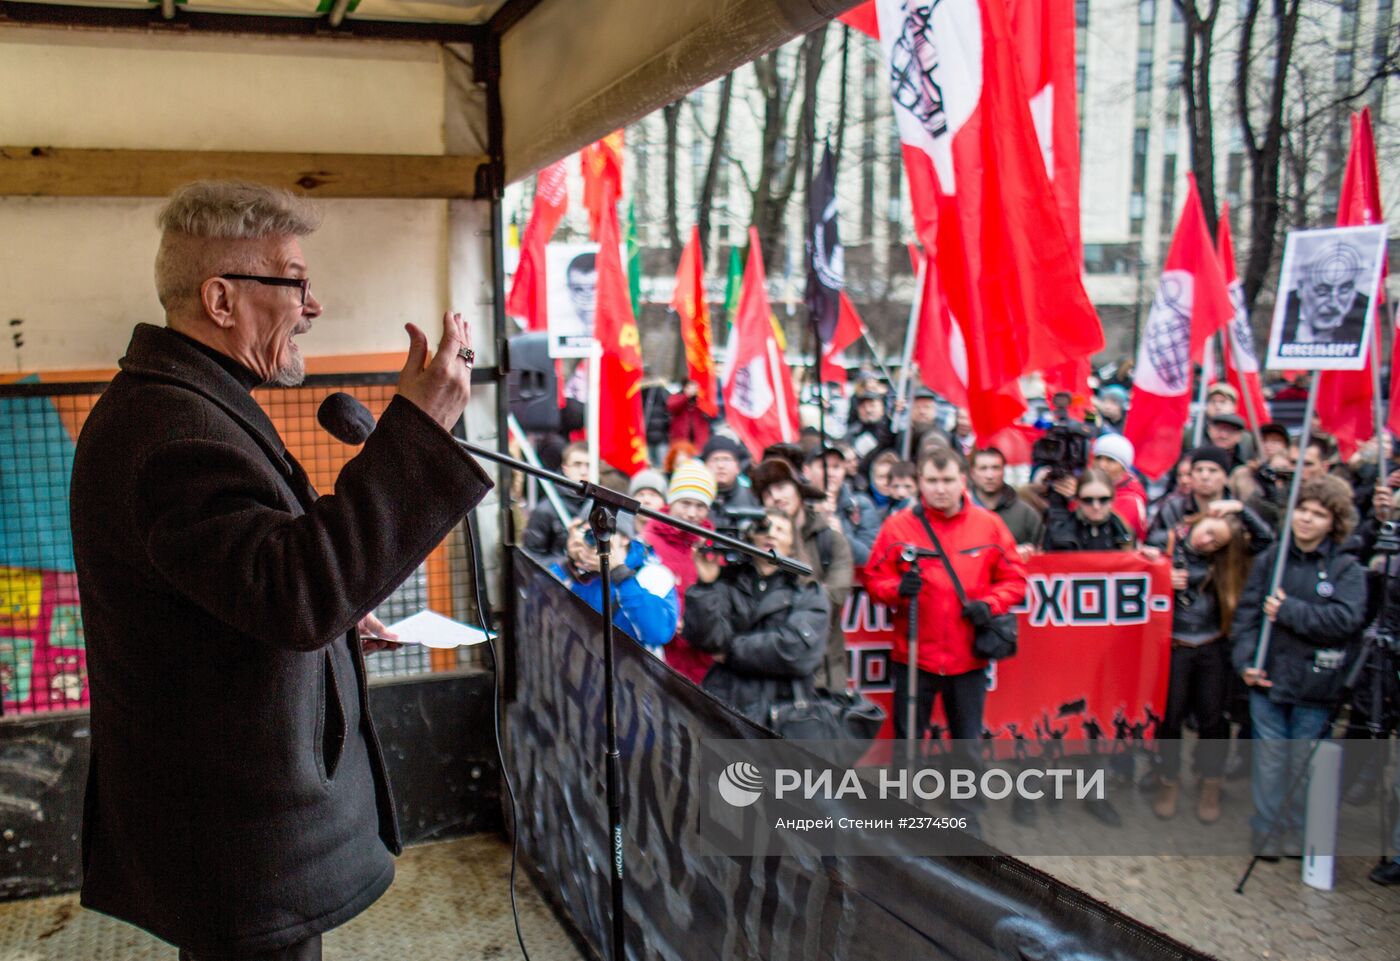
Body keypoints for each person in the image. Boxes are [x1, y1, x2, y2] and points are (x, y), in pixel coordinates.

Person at [69, 181, 492, 960]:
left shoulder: (190, 401)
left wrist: (340, 616)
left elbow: (253, 580)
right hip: (233, 840)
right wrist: (422, 431)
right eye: (295, 280)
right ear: (221, 298)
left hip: (232, 830)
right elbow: (297, 592)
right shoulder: (172, 431)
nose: (314, 303)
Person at [862, 448, 1028, 789]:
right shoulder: (898, 526)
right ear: (920, 482)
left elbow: (1016, 581)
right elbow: (874, 582)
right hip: (913, 657)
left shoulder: (989, 525)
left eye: (948, 480)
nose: (941, 489)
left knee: (967, 743)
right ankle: (905, 812)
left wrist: (990, 604)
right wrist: (898, 589)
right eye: (933, 481)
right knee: (907, 744)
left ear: (963, 481)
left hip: (967, 658)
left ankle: (966, 811)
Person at [1231, 475, 1368, 858]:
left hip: (1314, 685)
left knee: (1301, 764)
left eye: (1318, 514)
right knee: (1270, 758)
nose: (1306, 520)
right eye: (1302, 511)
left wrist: (1289, 610)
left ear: (1333, 521)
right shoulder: (1271, 560)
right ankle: (1267, 827)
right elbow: (1246, 616)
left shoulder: (1346, 570)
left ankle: (1297, 828)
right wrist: (1245, 661)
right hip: (1268, 678)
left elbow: (1345, 620)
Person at [1150, 512, 1255, 823]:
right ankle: (1168, 780)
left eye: (1216, 541)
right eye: (1208, 531)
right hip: (1173, 647)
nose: (1206, 540)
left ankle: (1211, 781)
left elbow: (1264, 541)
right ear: (1201, 520)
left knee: (1213, 720)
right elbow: (1132, 580)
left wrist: (1240, 508)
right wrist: (1160, 578)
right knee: (1169, 719)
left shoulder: (1226, 564)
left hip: (1212, 647)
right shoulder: (1163, 542)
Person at [683, 509, 830, 725]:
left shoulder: (808, 591)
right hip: (725, 704)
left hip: (783, 712)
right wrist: (706, 586)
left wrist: (732, 651)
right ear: (751, 536)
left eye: (780, 530)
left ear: (792, 544)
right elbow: (708, 640)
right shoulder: (727, 582)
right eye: (764, 528)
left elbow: (796, 652)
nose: (771, 534)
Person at [751, 457, 854, 691]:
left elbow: (835, 596)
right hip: (770, 672)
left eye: (781, 487)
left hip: (823, 672)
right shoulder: (756, 543)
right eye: (767, 493)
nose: (775, 497)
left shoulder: (831, 540)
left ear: (799, 490)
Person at [549, 517, 678, 657]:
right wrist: (570, 566)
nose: (595, 541)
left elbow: (657, 633)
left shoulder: (652, 574)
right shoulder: (576, 570)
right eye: (589, 533)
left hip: (624, 670)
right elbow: (538, 602)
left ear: (625, 538)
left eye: (602, 533)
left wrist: (619, 573)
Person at [646, 461, 718, 684]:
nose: (691, 513)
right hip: (660, 650)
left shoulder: (713, 546)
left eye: (700, 506)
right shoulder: (649, 541)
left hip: (700, 656)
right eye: (685, 503)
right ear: (671, 502)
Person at [1147, 446, 1272, 552]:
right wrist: (1182, 534)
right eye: (1198, 470)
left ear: (1225, 477)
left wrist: (1241, 509)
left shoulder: (1237, 510)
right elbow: (1151, 540)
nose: (1204, 476)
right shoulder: (1173, 507)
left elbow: (1266, 540)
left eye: (1213, 470)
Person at [1279, 240, 1371, 354]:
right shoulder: (1282, 317)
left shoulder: (1364, 316)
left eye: (1344, 290)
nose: (1333, 303)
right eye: (1322, 291)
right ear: (1301, 287)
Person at [810, 445, 880, 567]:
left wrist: (841, 536)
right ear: (807, 470)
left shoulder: (861, 505)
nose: (830, 473)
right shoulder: (799, 505)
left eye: (836, 467)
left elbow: (871, 558)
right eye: (824, 467)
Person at [969, 447, 1044, 558]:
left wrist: (1030, 554)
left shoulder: (1026, 514)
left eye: (995, 468)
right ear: (973, 473)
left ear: (1004, 471)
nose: (990, 475)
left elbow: (1042, 557)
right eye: (983, 468)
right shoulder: (959, 512)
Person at [1040, 469, 1135, 552]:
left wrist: (1146, 555)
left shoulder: (1123, 531)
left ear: (1112, 499)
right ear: (1078, 500)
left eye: (1103, 499)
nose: (1096, 506)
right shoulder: (1058, 532)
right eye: (1088, 500)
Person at [523, 440, 589, 558]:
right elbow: (531, 558)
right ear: (565, 468)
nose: (583, 471)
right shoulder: (545, 510)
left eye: (589, 465)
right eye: (577, 464)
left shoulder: (604, 505)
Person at [1089, 433, 1149, 542]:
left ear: (1123, 468)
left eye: (1110, 460)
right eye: (1098, 458)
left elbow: (1102, 531)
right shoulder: (1086, 485)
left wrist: (1076, 500)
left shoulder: (1131, 500)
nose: (1102, 465)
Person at [701, 433, 759, 526]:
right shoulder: (698, 497)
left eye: (726, 459)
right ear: (705, 466)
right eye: (715, 459)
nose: (721, 465)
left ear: (738, 467)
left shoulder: (752, 496)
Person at [844, 384, 896, 458]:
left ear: (882, 407)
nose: (868, 410)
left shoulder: (892, 429)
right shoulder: (852, 434)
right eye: (863, 407)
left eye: (872, 405)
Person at [666, 378, 712, 450]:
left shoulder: (702, 399)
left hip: (699, 439)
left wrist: (700, 397)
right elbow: (672, 407)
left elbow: (711, 411)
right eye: (690, 386)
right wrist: (686, 396)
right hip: (680, 439)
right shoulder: (677, 396)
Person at [627, 468, 668, 540]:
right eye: (641, 495)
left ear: (664, 503)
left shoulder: (670, 539)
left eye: (653, 495)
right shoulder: (618, 535)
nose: (646, 500)